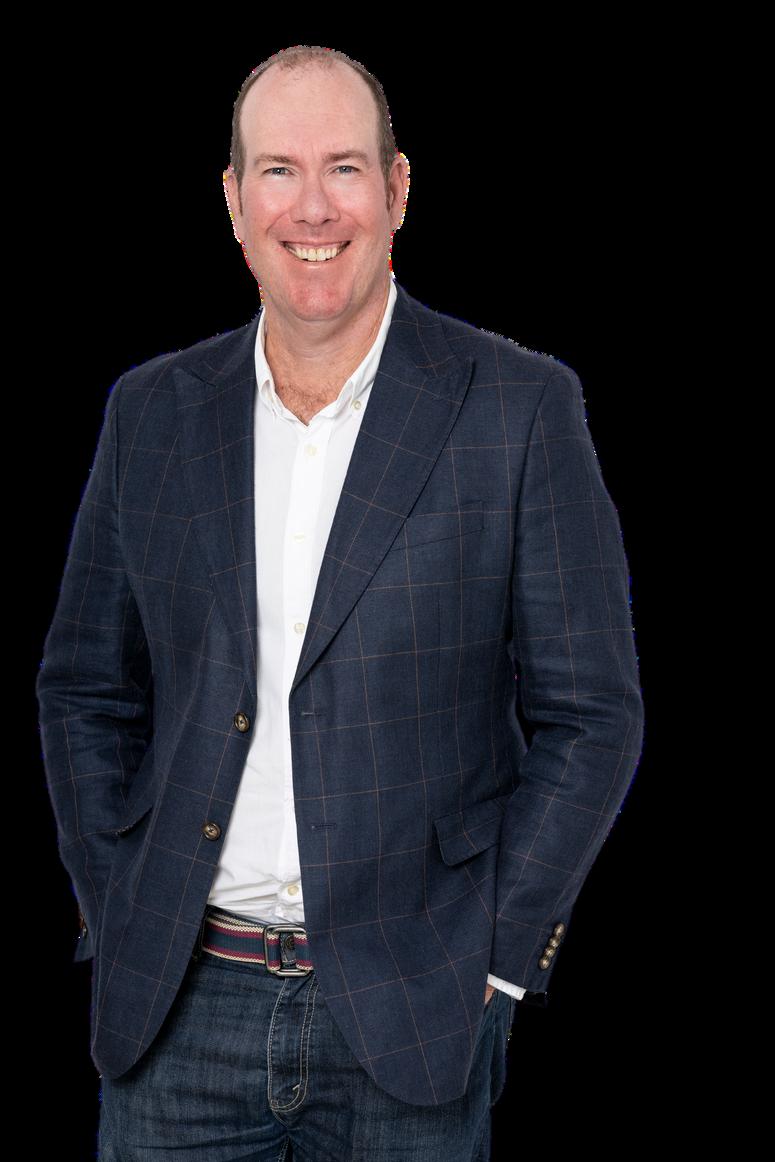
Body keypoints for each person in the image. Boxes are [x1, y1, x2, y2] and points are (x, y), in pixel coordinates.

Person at [36, 44, 645, 1161]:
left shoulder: (517, 409)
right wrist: (116, 899)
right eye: (278, 170)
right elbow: (84, 688)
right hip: (176, 1010)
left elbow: (591, 713)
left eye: (344, 168)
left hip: (414, 1010)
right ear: (233, 200)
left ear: (398, 189)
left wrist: (499, 955)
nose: (311, 208)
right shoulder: (152, 412)